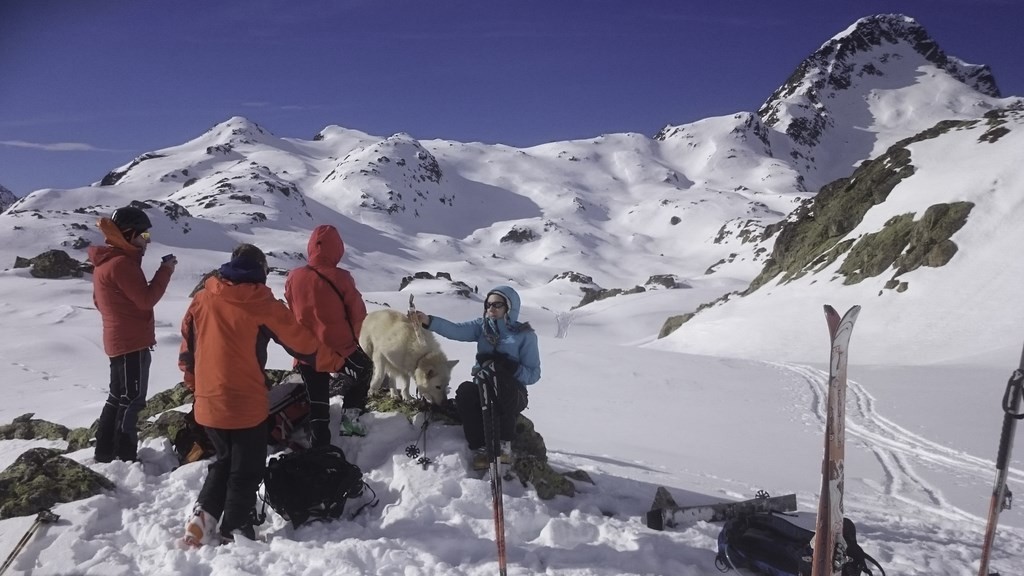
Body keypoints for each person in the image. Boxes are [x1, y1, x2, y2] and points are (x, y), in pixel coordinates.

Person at [179, 244, 345, 544]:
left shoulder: (202, 298)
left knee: (224, 460)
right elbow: (303, 345)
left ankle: (202, 517)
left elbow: (187, 350)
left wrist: (196, 386)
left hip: (208, 401)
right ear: (260, 270)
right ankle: (236, 529)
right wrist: (338, 362)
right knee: (246, 468)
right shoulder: (262, 303)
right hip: (245, 404)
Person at [409, 285, 540, 471]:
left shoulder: (524, 335)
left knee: (499, 379)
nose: (491, 308)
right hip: (484, 389)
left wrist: (511, 367)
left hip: (512, 393)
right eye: (488, 304)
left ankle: (503, 444)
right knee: (465, 391)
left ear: (510, 308)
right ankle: (479, 447)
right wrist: (428, 321)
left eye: (498, 304)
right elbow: (456, 330)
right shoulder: (482, 327)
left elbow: (534, 374)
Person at [88, 205, 175, 463]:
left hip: (119, 340)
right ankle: (123, 456)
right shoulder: (122, 264)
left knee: (117, 397)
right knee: (132, 399)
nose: (147, 241)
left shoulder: (106, 262)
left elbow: (98, 302)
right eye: (144, 235)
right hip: (131, 343)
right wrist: (166, 270)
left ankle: (105, 452)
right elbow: (146, 300)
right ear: (128, 234)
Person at [285, 224, 372, 442]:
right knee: (365, 369)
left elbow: (291, 310)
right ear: (337, 249)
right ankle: (350, 420)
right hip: (340, 350)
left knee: (318, 400)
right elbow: (358, 315)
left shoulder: (294, 277)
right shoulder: (342, 277)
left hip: (307, 351)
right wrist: (361, 342)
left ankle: (319, 441)